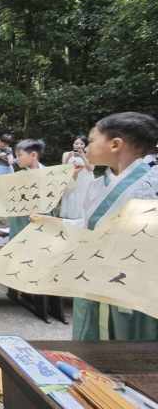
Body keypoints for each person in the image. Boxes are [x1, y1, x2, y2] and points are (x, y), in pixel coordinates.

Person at [73, 112, 158, 342]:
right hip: (95, 282)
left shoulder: (152, 184)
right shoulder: (100, 184)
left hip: (135, 289)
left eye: (91, 141)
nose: (86, 148)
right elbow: (89, 227)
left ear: (115, 144)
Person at [8, 139, 46, 238]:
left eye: (19, 155)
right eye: (16, 156)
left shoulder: (49, 174)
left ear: (33, 155)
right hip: (21, 221)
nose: (16, 159)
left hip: (42, 219)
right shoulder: (18, 176)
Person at [59, 136, 94, 220]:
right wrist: (68, 158)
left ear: (85, 145)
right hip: (72, 178)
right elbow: (63, 168)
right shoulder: (66, 154)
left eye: (81, 144)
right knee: (71, 195)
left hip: (85, 178)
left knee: (83, 196)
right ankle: (70, 215)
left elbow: (91, 168)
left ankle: (83, 216)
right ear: (73, 144)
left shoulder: (90, 154)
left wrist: (83, 156)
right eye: (76, 143)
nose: (79, 145)